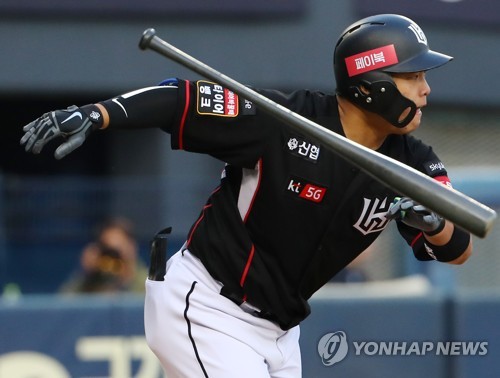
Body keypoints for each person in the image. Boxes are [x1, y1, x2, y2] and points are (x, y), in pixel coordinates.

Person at [20, 14, 472, 377]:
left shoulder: (411, 161)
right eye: (413, 75)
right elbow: (179, 100)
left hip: (280, 331)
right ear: (371, 83)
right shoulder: (286, 120)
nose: (426, 89)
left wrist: (434, 225)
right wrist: (96, 114)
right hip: (208, 305)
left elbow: (459, 249)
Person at [59, 217, 148, 294]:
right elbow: (63, 307)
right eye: (108, 250)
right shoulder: (92, 281)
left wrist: (125, 278)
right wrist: (85, 273)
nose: (113, 257)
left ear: (132, 247)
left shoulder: (148, 282)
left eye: (117, 250)